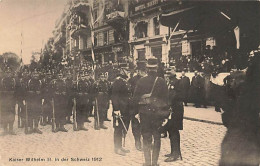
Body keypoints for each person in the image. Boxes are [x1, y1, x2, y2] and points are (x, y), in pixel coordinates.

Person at [133, 57, 169, 166]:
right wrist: (165, 115)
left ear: (147, 68)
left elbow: (135, 99)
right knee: (157, 139)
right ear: (157, 68)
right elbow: (166, 100)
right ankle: (155, 163)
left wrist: (137, 112)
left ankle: (147, 163)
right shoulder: (161, 81)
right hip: (157, 115)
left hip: (145, 115)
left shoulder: (141, 81)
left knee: (146, 138)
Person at [164, 70, 184, 162]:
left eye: (167, 75)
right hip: (173, 109)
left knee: (174, 130)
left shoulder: (176, 82)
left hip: (175, 110)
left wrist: (166, 104)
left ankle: (175, 154)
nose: (166, 77)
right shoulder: (172, 82)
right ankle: (173, 152)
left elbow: (173, 96)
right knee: (171, 130)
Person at [111, 68, 131, 156]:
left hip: (125, 109)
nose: (128, 72)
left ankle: (120, 146)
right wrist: (116, 109)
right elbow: (114, 96)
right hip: (119, 110)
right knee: (118, 129)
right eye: (126, 70)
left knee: (122, 128)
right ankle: (117, 148)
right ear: (122, 71)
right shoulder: (118, 82)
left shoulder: (125, 81)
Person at [128, 60, 146, 151]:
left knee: (145, 123)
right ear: (138, 71)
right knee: (135, 124)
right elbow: (128, 92)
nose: (143, 72)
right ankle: (137, 141)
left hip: (144, 105)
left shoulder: (147, 80)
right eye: (141, 70)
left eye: (144, 71)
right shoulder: (132, 80)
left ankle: (145, 141)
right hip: (135, 106)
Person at [27, 69, 43, 134]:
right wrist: (29, 93)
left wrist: (40, 93)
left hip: (38, 100)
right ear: (32, 75)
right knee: (30, 113)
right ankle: (31, 127)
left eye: (36, 74)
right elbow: (25, 91)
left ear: (38, 75)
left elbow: (44, 91)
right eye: (34, 74)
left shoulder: (40, 82)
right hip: (31, 100)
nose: (35, 75)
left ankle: (36, 127)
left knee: (37, 113)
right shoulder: (29, 81)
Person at [0, 68, 16, 135]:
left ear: (11, 73)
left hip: (12, 100)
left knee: (12, 114)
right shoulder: (2, 81)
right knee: (4, 114)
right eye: (7, 72)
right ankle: (5, 129)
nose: (8, 74)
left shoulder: (14, 80)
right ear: (4, 73)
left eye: (9, 72)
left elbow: (17, 90)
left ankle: (11, 129)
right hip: (4, 100)